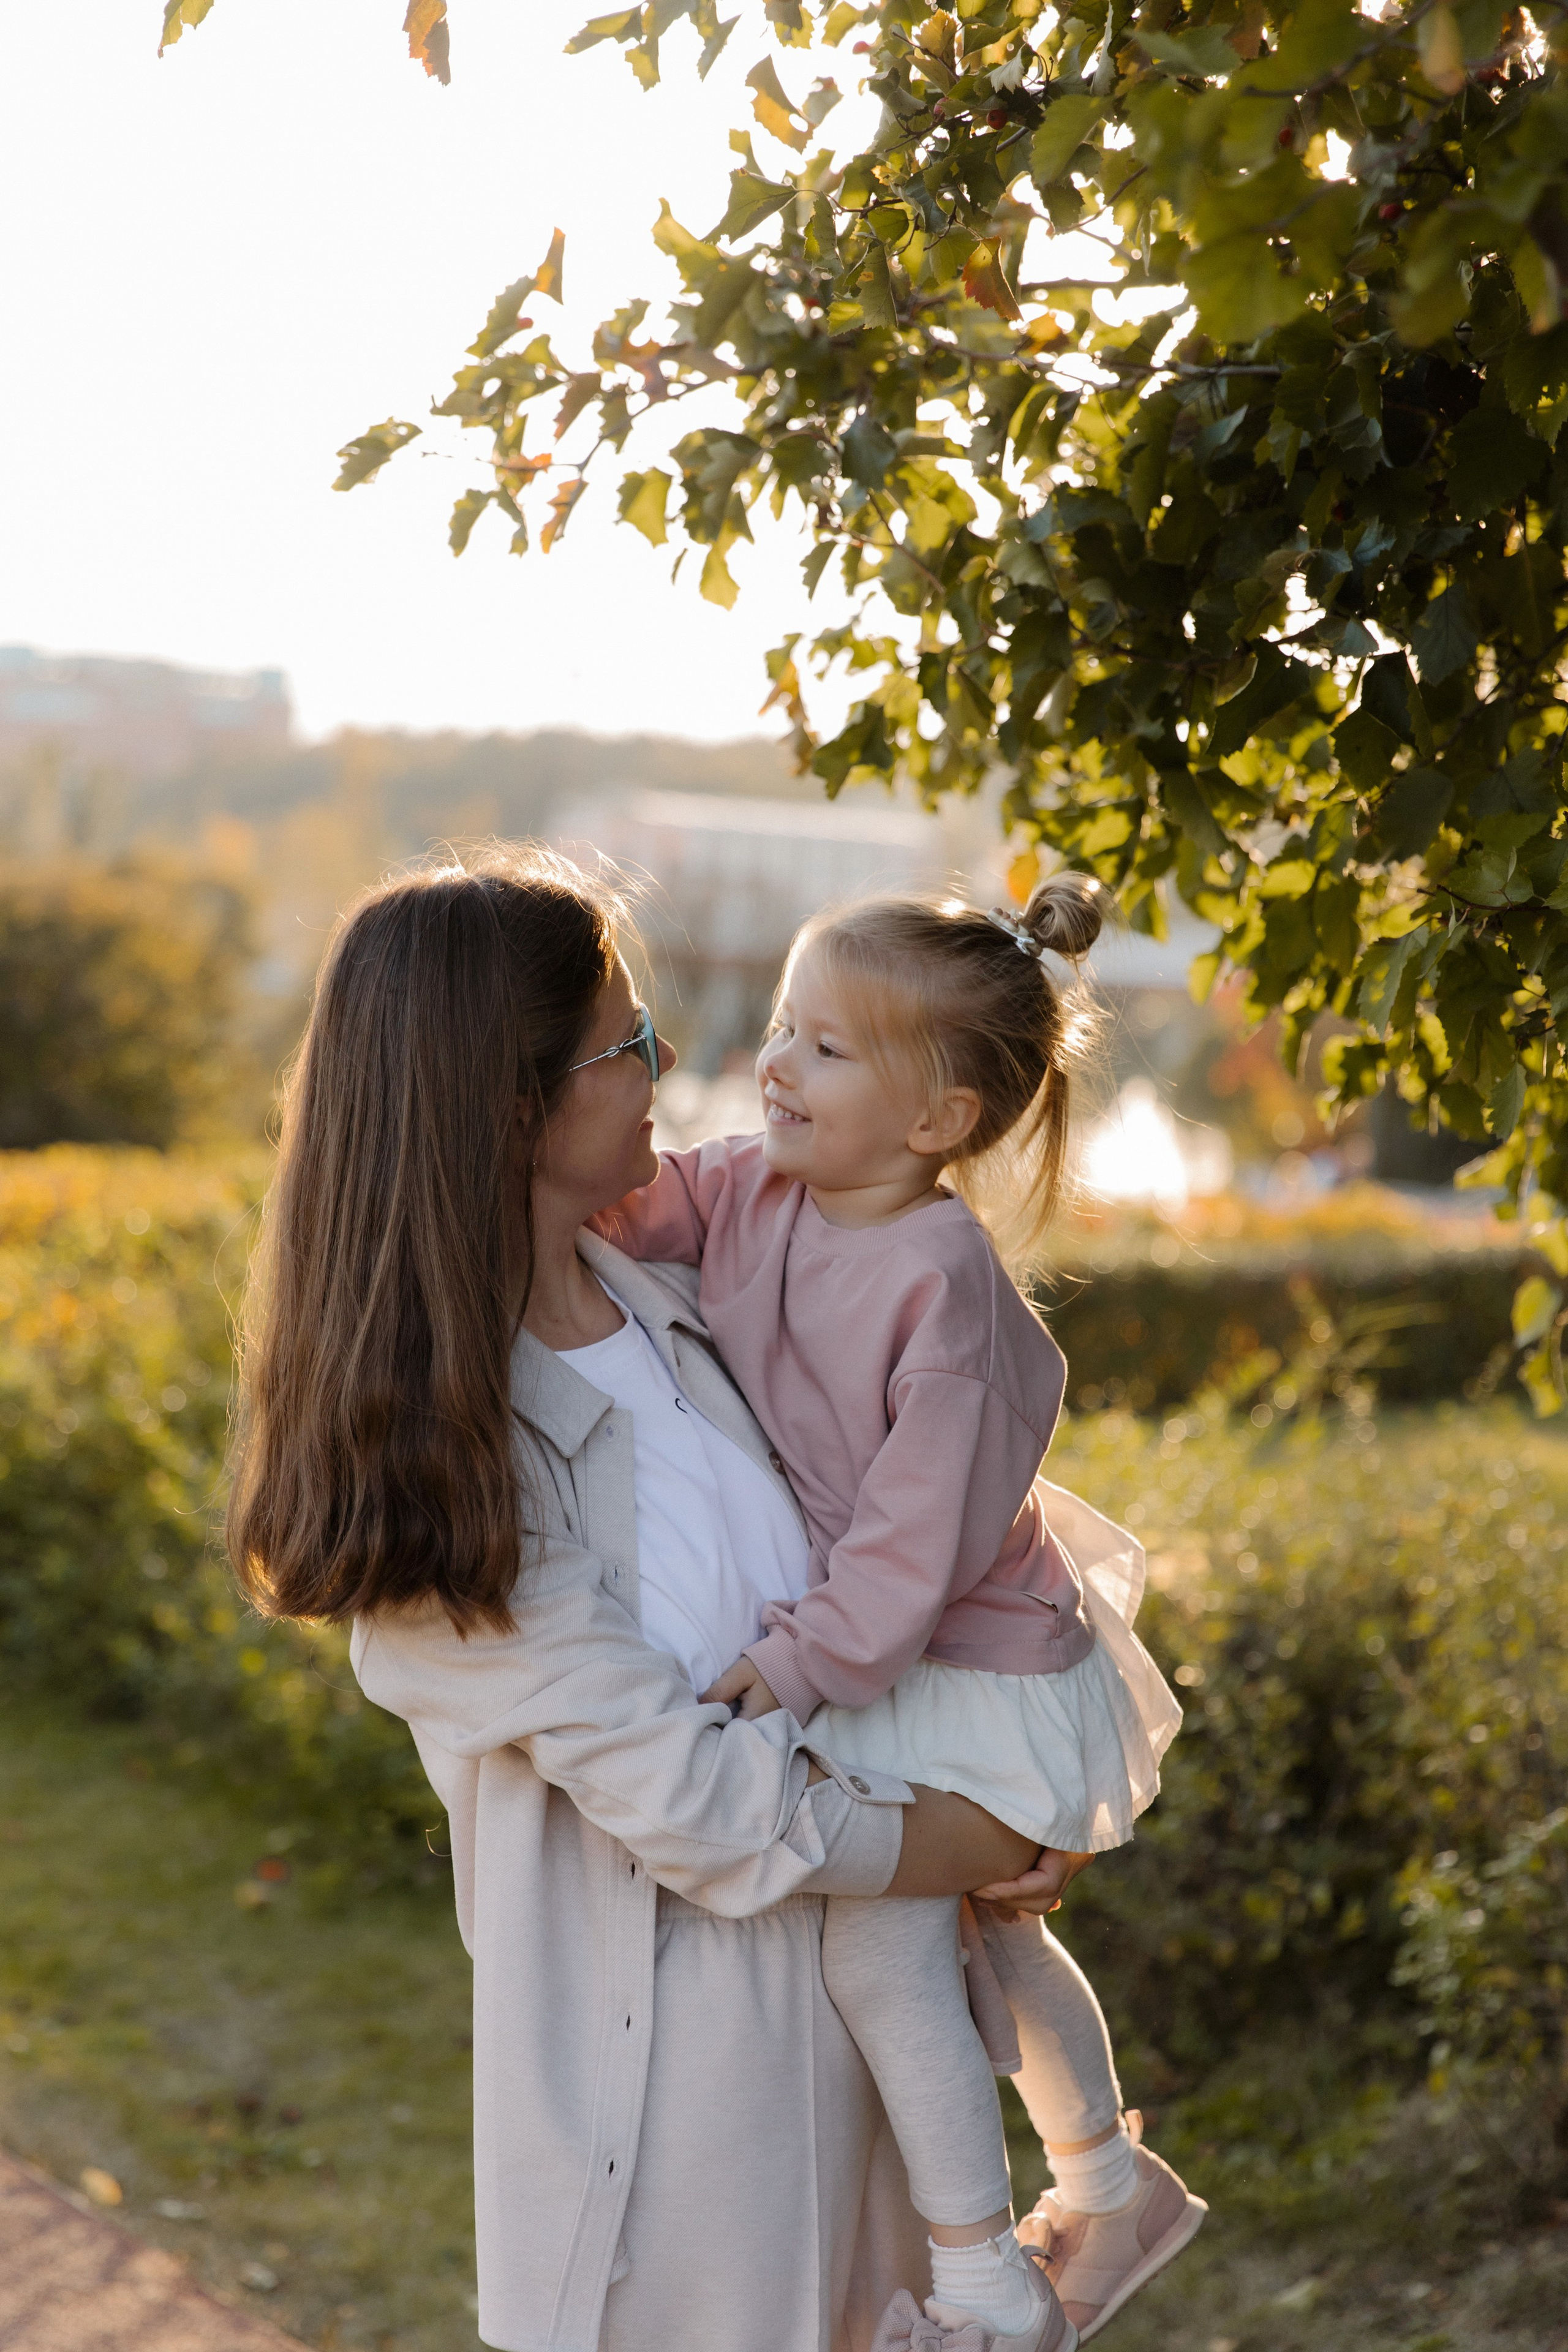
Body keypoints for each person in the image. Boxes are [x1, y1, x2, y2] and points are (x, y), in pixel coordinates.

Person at [224, 843, 1068, 2352]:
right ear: (513, 1101)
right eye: (625, 1045)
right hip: (675, 2155)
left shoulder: (685, 1302)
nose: (670, 1068)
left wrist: (1004, 1751)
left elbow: (908, 1515)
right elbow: (698, 1801)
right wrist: (974, 1830)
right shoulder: (442, 1473)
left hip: (866, 2084)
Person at [594, 880, 1205, 2347]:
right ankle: (1107, 2189)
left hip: (976, 1659)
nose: (776, 1068)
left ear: (935, 1121)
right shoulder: (753, 1185)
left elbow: (904, 1557)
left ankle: (987, 2291)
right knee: (989, 1934)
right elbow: (623, 1203)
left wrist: (787, 1667)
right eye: (783, 1034)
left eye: (825, 1049)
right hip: (903, 1649)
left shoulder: (948, 1298)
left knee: (886, 1947)